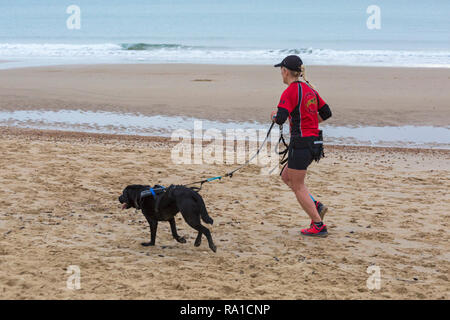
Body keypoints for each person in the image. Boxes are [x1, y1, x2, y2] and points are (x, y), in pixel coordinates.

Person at [271, 55, 332, 237]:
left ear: (285, 71)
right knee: (286, 176)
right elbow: (326, 113)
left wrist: (273, 116)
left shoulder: (290, 91)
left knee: (298, 186)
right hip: (314, 142)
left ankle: (318, 225)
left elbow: (280, 118)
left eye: (281, 70)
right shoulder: (309, 89)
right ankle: (316, 206)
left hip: (301, 143)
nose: (281, 74)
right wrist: (310, 122)